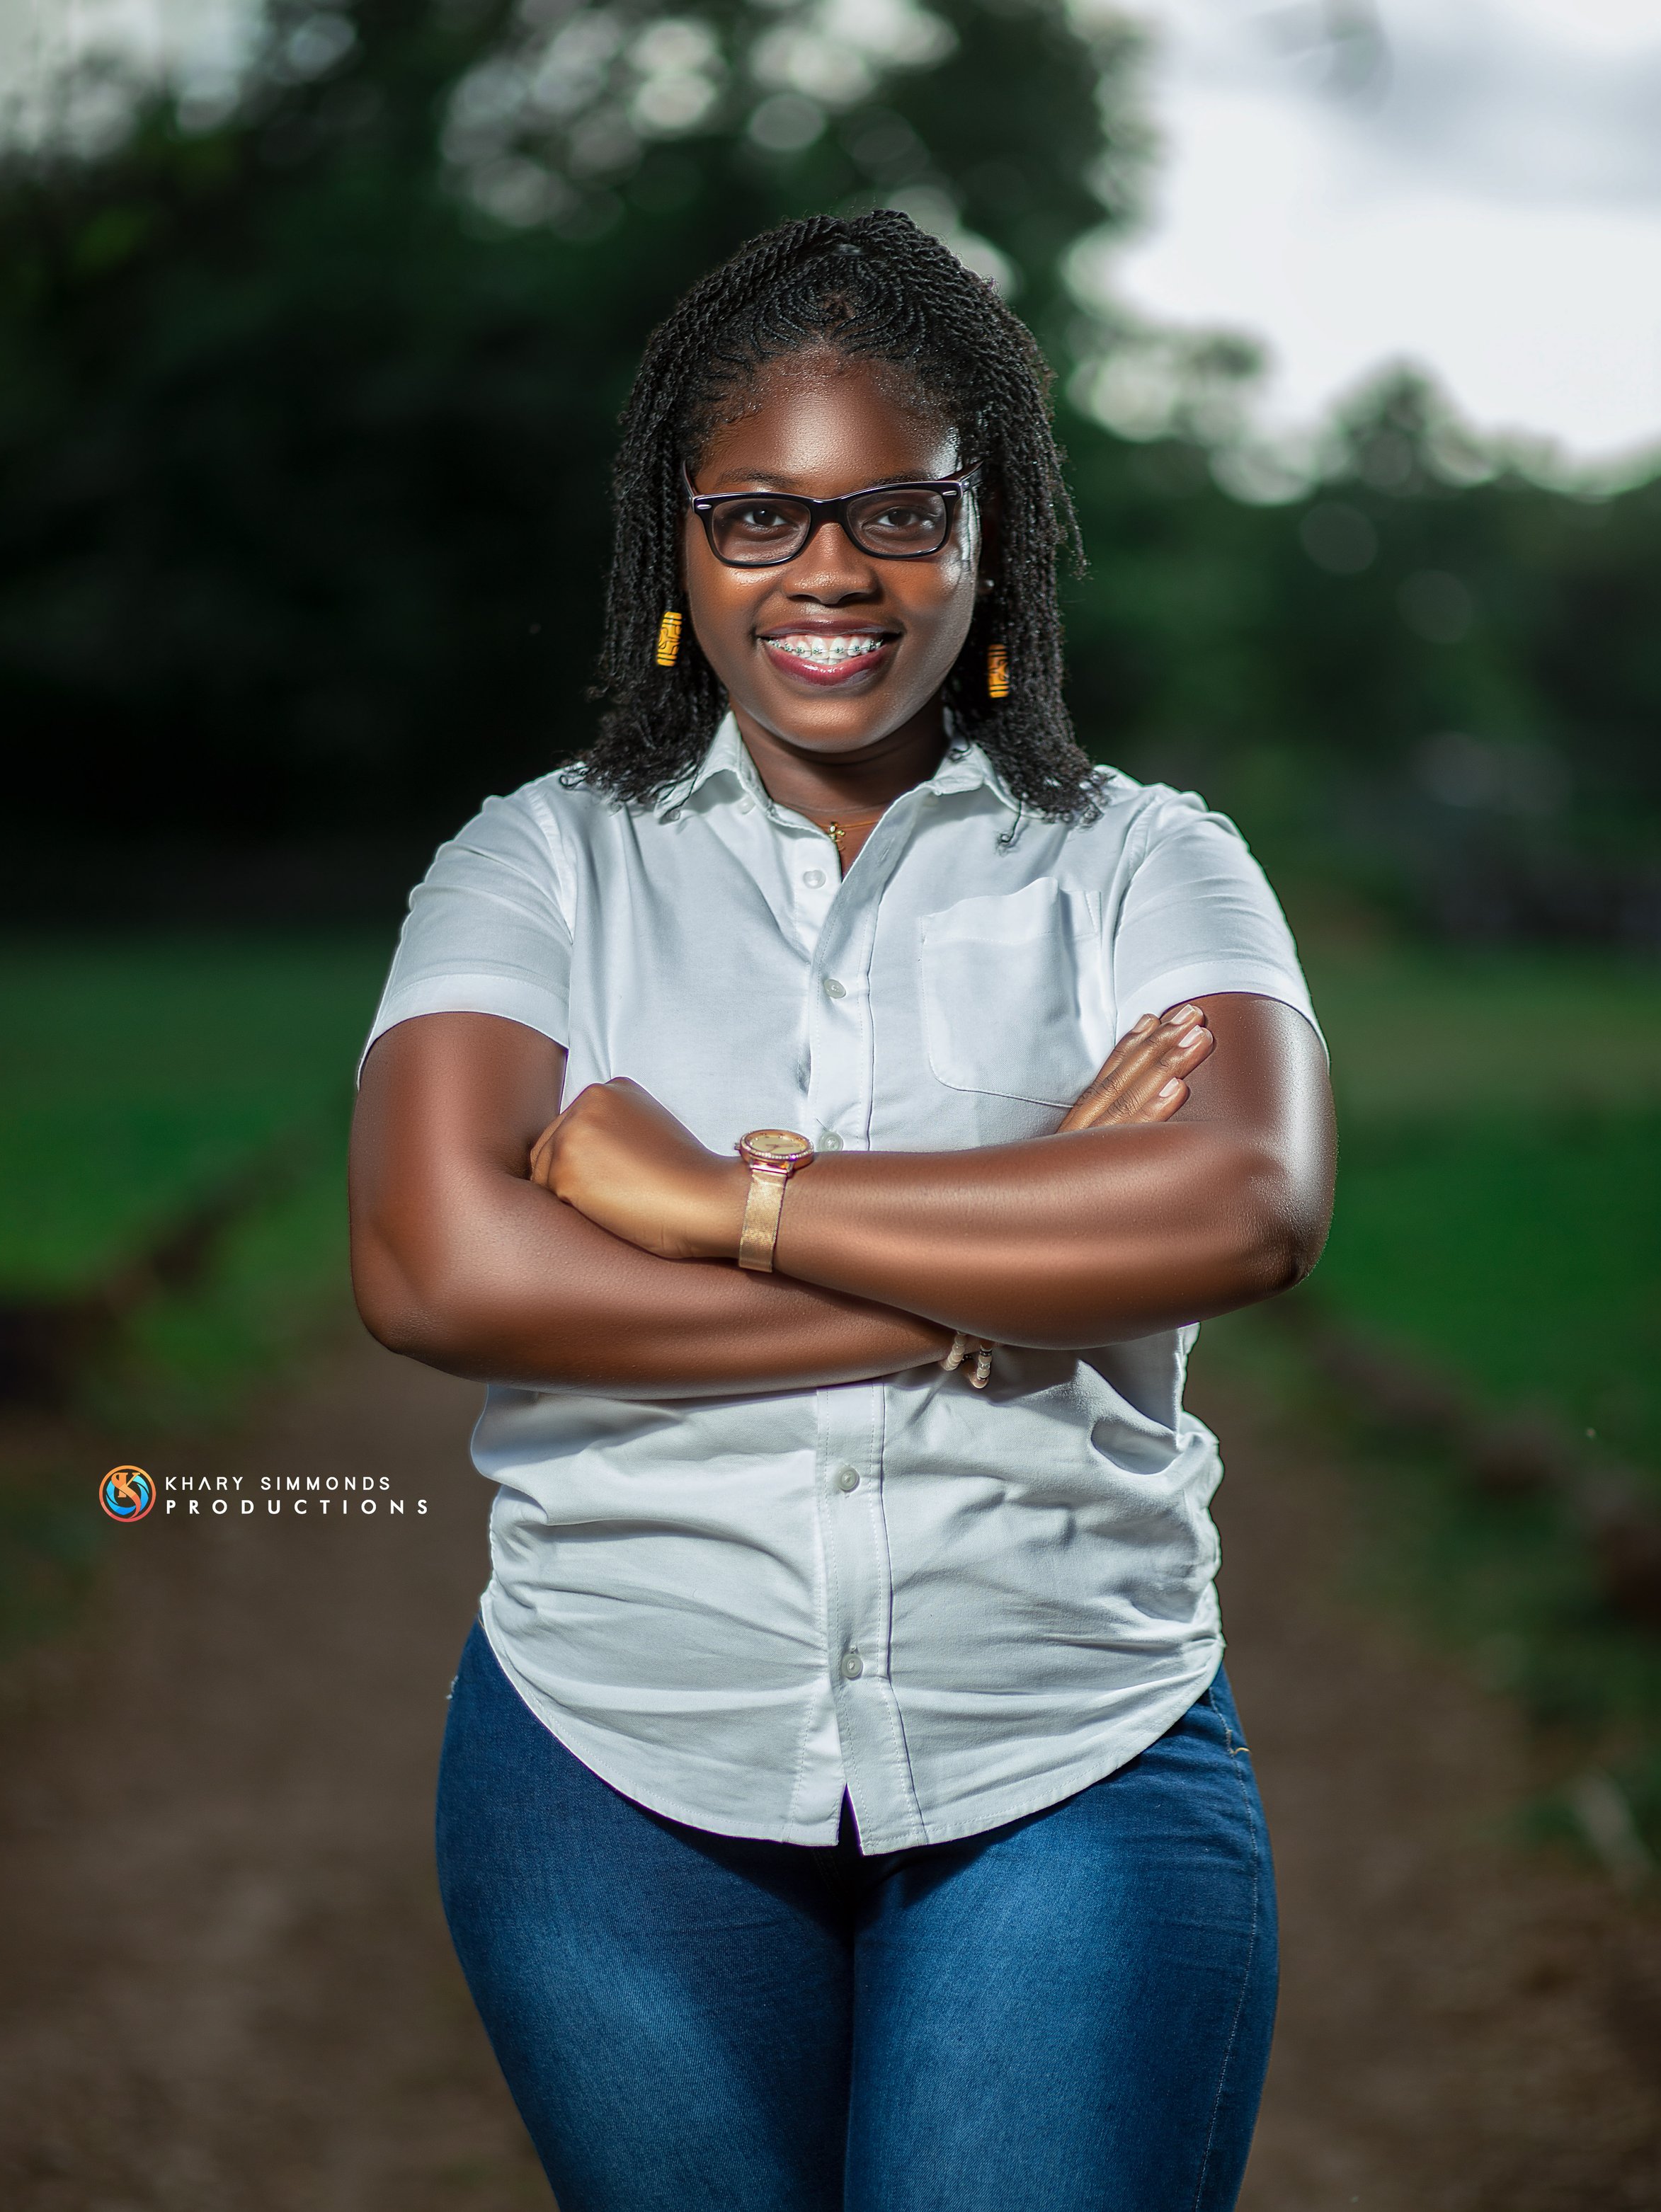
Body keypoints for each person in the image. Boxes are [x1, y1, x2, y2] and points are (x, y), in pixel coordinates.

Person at [348, 210, 1335, 2212]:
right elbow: (431, 1261)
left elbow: (1241, 1206)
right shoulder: (540, 866)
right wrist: (1011, 1251)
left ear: (989, 546)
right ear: (676, 551)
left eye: (896, 512)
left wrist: (719, 1204)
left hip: (1066, 1744)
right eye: (756, 517)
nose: (826, 575)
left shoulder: (1146, 863)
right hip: (613, 1763)